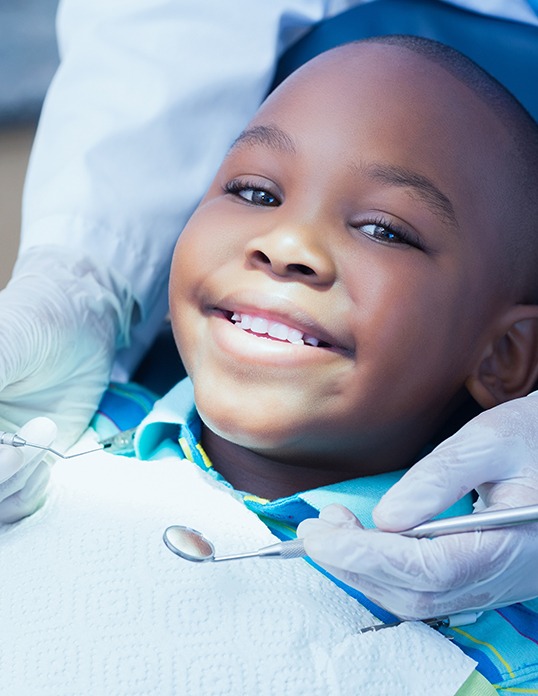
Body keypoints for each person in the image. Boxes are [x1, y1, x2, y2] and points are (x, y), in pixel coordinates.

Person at [1, 0, 538, 618]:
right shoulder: (35, 458)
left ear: (504, 355)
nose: (287, 246)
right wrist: (81, 276)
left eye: (385, 231)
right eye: (254, 192)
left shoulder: (487, 591)